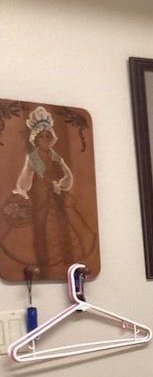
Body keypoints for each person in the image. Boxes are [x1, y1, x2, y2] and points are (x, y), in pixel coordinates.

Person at [12, 106, 95, 273]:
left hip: (55, 196)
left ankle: (64, 259)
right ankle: (43, 261)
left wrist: (61, 184)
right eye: (41, 136)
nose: (45, 139)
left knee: (63, 224)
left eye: (48, 135)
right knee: (40, 227)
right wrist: (22, 189)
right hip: (39, 196)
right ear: (35, 139)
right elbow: (26, 176)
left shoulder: (56, 156)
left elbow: (67, 175)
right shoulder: (32, 158)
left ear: (52, 138)